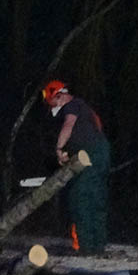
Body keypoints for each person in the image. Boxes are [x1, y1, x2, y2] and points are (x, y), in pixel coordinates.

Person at [41, 79, 111, 253]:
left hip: (91, 154)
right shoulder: (84, 107)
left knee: (80, 199)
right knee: (96, 199)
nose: (53, 109)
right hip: (99, 153)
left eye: (53, 102)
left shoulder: (72, 106)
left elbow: (69, 125)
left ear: (59, 95)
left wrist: (59, 148)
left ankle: (86, 247)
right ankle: (97, 246)